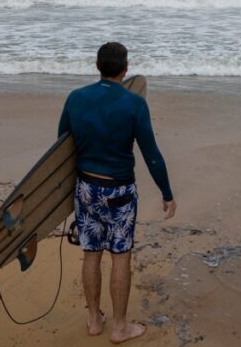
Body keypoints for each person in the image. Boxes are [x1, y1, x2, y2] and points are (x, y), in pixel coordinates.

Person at [58, 42, 176, 344]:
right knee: (121, 257)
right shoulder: (134, 104)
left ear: (97, 66)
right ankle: (120, 326)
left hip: (85, 187)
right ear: (125, 69)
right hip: (119, 191)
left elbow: (61, 146)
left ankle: (94, 318)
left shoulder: (75, 98)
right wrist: (167, 192)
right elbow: (151, 154)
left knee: (91, 254)